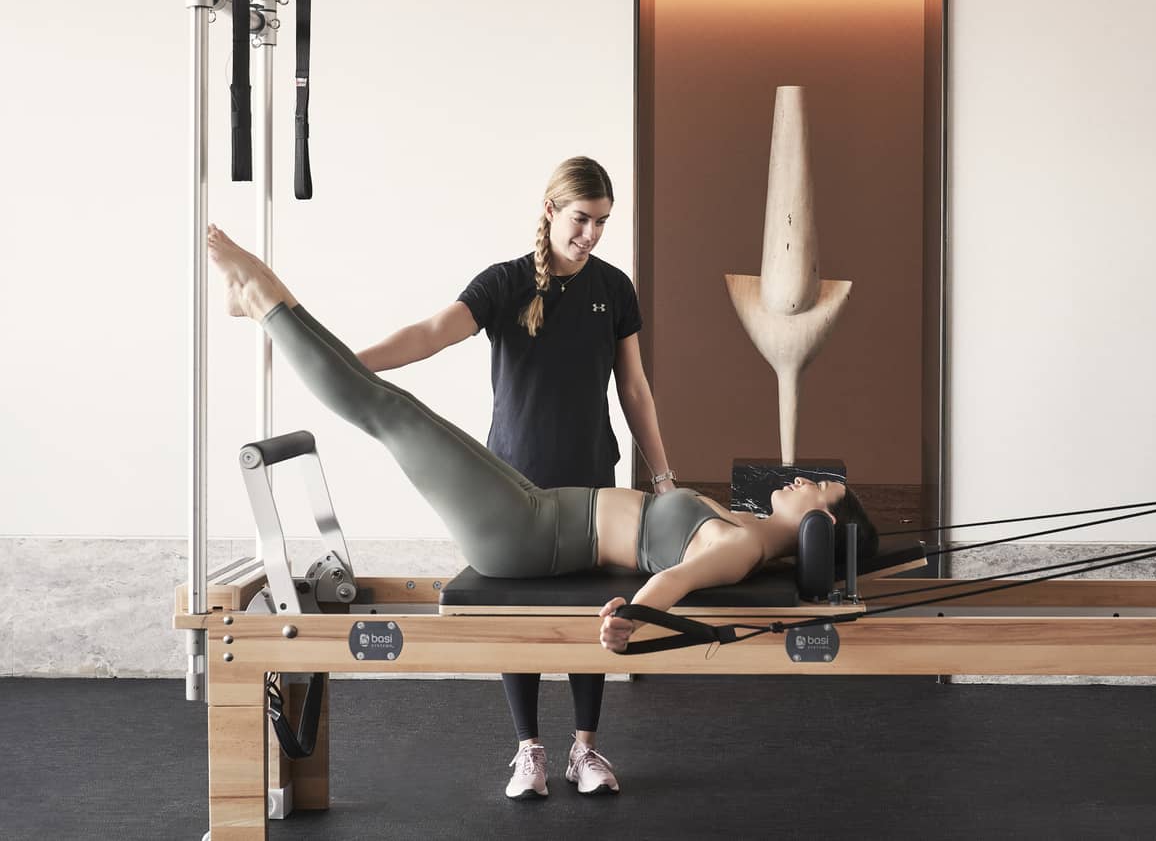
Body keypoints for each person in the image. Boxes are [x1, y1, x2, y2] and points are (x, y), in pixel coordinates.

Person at [206, 221, 879, 783]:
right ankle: (259, 304)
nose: (803, 477)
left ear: (820, 522)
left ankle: (263, 296)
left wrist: (631, 619)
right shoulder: (750, 528)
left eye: (819, 485)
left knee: (388, 412)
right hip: (537, 502)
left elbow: (675, 579)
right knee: (392, 408)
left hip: (523, 531)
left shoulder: (736, 546)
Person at [350, 157, 673, 799]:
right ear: (551, 210)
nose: (592, 235)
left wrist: (663, 477)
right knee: (514, 612)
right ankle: (529, 750)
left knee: (595, 608)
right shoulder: (503, 283)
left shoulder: (615, 288)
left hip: (591, 477)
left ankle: (586, 750)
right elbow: (431, 333)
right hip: (511, 479)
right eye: (582, 219)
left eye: (604, 222)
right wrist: (350, 363)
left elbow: (634, 387)